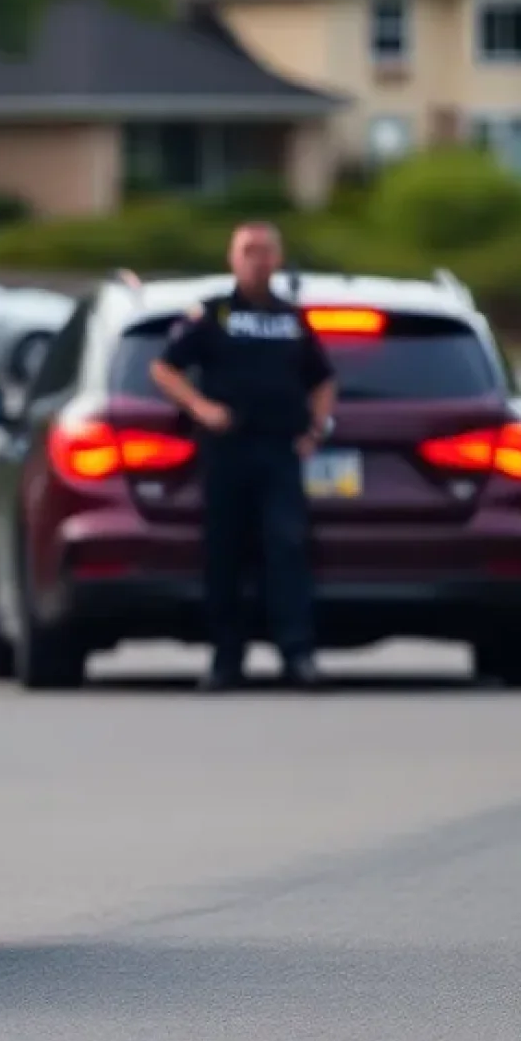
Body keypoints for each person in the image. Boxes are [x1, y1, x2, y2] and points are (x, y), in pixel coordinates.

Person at [148, 221, 337, 690]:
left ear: (278, 258)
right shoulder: (215, 314)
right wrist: (200, 408)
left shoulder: (292, 320)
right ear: (232, 259)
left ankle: (297, 655)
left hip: (279, 451)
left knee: (287, 549)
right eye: (248, 251)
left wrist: (316, 428)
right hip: (226, 452)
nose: (257, 260)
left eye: (265, 251)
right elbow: (164, 368)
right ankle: (226, 659)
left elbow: (323, 379)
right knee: (225, 553)